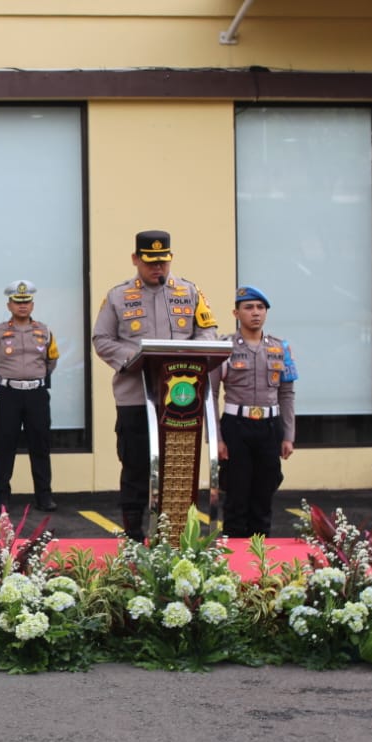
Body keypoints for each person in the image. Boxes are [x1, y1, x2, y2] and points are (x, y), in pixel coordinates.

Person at [92, 230, 218, 541]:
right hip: (136, 398)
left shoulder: (190, 291)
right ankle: (134, 535)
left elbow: (208, 332)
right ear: (135, 259)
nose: (157, 268)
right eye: (150, 262)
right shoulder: (118, 296)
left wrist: (187, 353)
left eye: (163, 261)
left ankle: (176, 535)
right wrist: (136, 356)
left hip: (180, 398)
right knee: (136, 467)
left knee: (178, 469)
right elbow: (102, 339)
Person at [212, 286, 297, 538]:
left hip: (270, 428)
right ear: (236, 313)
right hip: (236, 426)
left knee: (264, 495)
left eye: (261, 307)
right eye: (248, 307)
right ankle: (233, 554)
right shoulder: (224, 347)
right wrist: (216, 439)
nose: (255, 312)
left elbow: (287, 393)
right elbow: (210, 394)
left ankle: (260, 555)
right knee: (236, 496)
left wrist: (288, 435)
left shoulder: (280, 348)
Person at [0, 280, 59, 513]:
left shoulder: (44, 331)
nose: (22, 305)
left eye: (26, 301)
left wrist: (34, 378)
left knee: (40, 445)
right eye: (17, 301)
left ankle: (44, 496)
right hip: (9, 395)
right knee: (5, 445)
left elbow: (51, 361)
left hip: (36, 394)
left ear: (32, 304)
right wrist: (8, 379)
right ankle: (1, 496)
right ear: (9, 305)